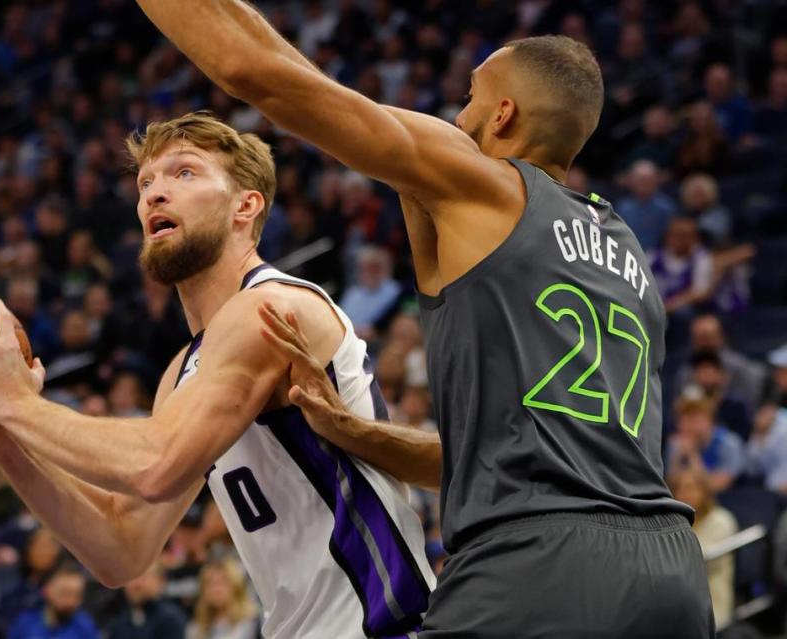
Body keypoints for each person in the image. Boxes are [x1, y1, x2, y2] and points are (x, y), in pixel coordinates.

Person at [125, 4, 710, 634]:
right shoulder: (627, 257)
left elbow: (263, 74)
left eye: (470, 97)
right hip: (671, 568)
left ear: (502, 114)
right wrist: (352, 430)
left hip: (537, 565)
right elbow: (486, 456)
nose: (457, 115)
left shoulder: (481, 182)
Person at [0, 113, 434, 639]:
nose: (154, 195)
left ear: (245, 205)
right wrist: (6, 440)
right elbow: (120, 550)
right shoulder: (183, 372)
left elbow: (155, 463)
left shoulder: (271, 307)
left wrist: (17, 404)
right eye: (145, 183)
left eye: (183, 173)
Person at [669, 467, 738, 630]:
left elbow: (699, 564)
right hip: (676, 605)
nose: (683, 495)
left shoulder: (721, 520)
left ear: (704, 491)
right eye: (678, 489)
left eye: (690, 488)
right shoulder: (675, 523)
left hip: (712, 607)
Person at [7, 567, 97, 639]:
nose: (70, 601)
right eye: (64, 593)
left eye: (76, 595)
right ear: (47, 591)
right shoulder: (25, 623)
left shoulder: (85, 626)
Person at [105, 563, 186, 639]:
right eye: (129, 578)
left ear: (160, 581)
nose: (135, 584)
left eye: (142, 577)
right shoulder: (119, 621)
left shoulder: (170, 620)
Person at [186, 558, 258, 639]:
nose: (216, 589)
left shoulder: (251, 621)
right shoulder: (196, 628)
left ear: (236, 586)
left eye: (222, 583)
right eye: (210, 584)